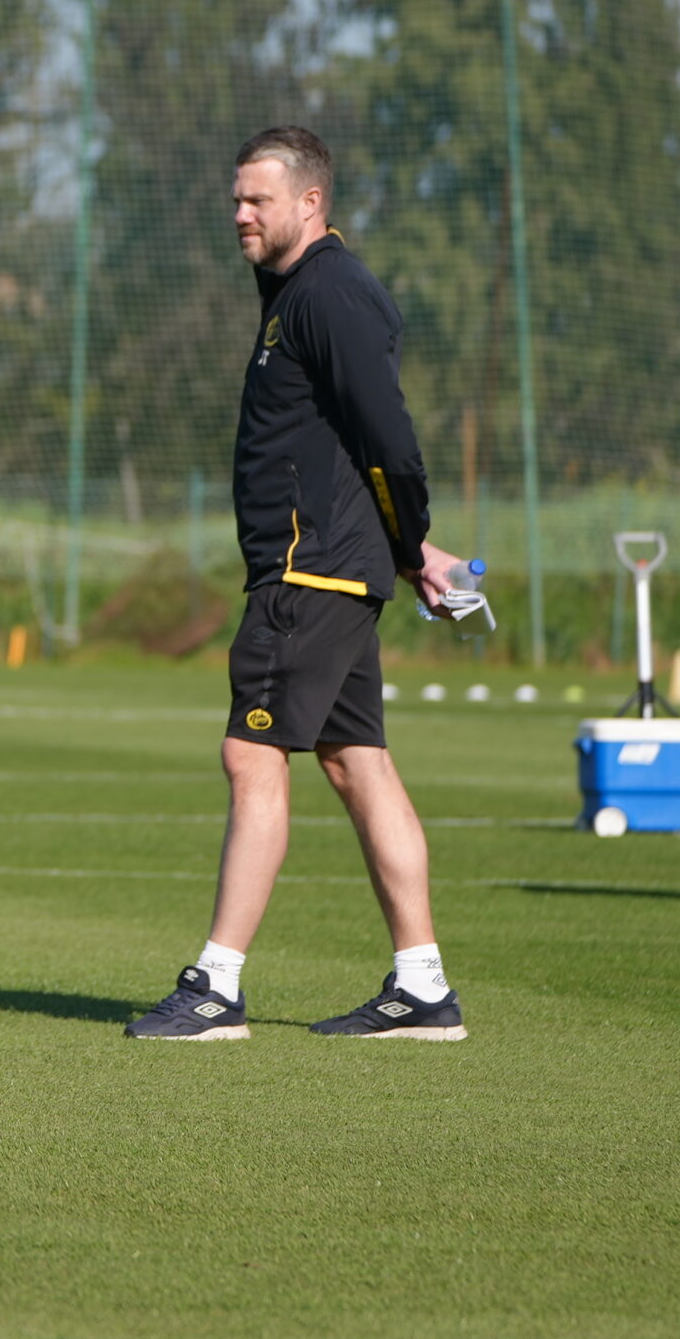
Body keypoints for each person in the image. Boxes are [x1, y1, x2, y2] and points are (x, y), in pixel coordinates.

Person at [129, 126, 471, 1043]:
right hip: (329, 565)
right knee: (358, 764)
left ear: (310, 203)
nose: (239, 213)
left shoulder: (331, 294)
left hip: (309, 567)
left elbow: (388, 438)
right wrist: (407, 552)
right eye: (236, 198)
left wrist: (417, 541)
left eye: (258, 200)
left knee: (253, 756)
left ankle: (216, 986)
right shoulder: (297, 290)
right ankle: (423, 986)